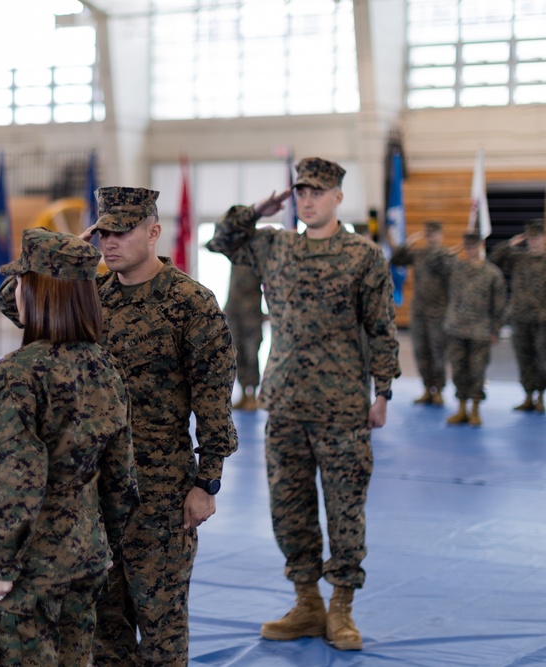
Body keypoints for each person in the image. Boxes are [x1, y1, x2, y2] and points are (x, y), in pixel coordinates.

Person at [0, 186, 239, 666]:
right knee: (104, 625)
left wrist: (207, 481)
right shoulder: (91, 296)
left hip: (162, 492)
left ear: (153, 232)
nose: (110, 242)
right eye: (103, 231)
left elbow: (213, 397)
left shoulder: (190, 302)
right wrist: (74, 252)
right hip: (97, 491)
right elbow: (17, 300)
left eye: (122, 231)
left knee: (161, 621)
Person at [206, 157, 401, 652]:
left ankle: (341, 609)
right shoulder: (275, 246)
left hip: (342, 407)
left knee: (345, 510)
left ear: (338, 196)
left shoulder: (363, 256)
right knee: (289, 509)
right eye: (301, 192)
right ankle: (306, 601)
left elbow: (381, 327)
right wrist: (255, 209)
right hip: (286, 403)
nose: (308, 199)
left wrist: (383, 392)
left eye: (318, 191)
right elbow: (221, 241)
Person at [0, 228, 140, 667]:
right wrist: (104, 548)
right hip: (85, 557)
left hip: (29, 568)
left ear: (36, 291)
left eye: (23, 282)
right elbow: (121, 480)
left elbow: (16, 481)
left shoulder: (19, 373)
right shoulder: (105, 367)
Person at [430, 232, 507, 426]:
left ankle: (475, 410)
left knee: (477, 371)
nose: (470, 249)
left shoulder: (492, 273)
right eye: (467, 245)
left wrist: (495, 330)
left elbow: (499, 306)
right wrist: (452, 250)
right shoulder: (456, 267)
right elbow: (433, 264)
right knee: (458, 370)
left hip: (480, 331)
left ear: (481, 245)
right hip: (455, 329)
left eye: (473, 245)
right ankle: (461, 409)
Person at [389, 220, 451, 406]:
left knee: (437, 353)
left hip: (438, 312)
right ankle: (427, 388)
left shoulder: (446, 256)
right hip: (419, 312)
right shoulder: (419, 255)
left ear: (440, 235)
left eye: (434, 234)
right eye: (428, 234)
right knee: (421, 352)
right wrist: (409, 241)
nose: (431, 238)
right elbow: (396, 260)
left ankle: (438, 390)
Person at [489, 220, 546, 413]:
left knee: (543, 360)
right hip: (521, 318)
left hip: (542, 321)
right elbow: (493, 260)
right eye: (530, 238)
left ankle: (541, 397)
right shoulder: (519, 258)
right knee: (524, 358)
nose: (533, 242)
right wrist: (510, 243)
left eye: (537, 237)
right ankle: (528, 396)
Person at [223, 263, 265, 411]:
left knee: (252, 354)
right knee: (236, 353)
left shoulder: (255, 257)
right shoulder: (235, 257)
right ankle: (242, 393)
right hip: (234, 312)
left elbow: (271, 285)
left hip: (251, 314)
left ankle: (252, 395)